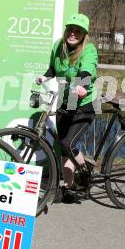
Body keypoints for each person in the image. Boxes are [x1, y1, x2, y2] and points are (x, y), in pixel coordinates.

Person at [36, 13, 97, 203]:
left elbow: (88, 70)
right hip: (66, 100)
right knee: (63, 148)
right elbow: (54, 68)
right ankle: (69, 187)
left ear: (84, 34)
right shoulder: (58, 46)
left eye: (78, 31)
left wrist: (83, 86)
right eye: (70, 29)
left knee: (67, 144)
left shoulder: (89, 50)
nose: (72, 33)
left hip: (84, 104)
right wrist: (45, 77)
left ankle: (86, 173)